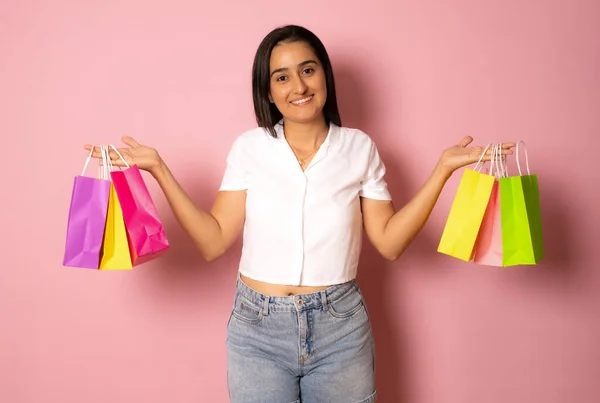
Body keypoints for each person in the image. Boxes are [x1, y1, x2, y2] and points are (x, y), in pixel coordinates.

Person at [87, 24, 514, 403]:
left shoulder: (359, 148)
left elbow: (389, 242)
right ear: (268, 90)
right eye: (282, 76)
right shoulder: (250, 148)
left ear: (324, 74)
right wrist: (159, 170)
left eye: (308, 70)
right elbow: (214, 240)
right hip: (257, 330)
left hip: (340, 329)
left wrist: (442, 170)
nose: (298, 86)